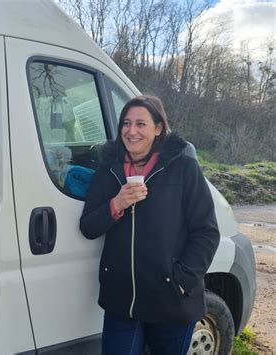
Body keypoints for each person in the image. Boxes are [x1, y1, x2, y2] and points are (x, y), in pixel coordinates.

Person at [80, 95, 220, 355]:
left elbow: (207, 232)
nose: (131, 131)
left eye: (141, 124)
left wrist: (181, 281)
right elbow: (88, 226)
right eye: (126, 123)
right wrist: (117, 203)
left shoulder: (183, 167)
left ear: (158, 129)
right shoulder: (108, 169)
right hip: (123, 300)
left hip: (170, 301)